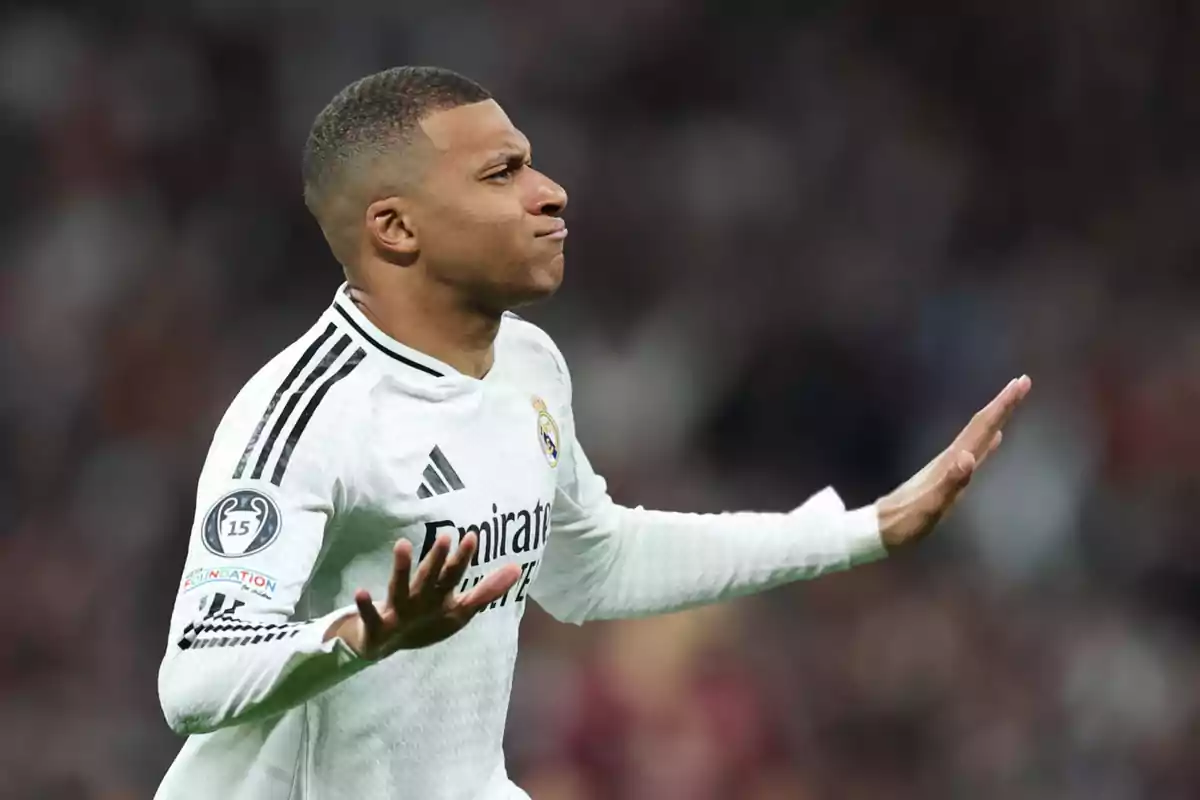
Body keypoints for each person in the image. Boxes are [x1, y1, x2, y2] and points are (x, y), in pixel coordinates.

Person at [153, 65, 1031, 799]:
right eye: (500, 175)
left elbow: (590, 565)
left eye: (529, 164)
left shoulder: (529, 365)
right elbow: (192, 685)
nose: (550, 192)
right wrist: (361, 635)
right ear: (395, 227)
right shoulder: (309, 416)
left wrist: (863, 530)